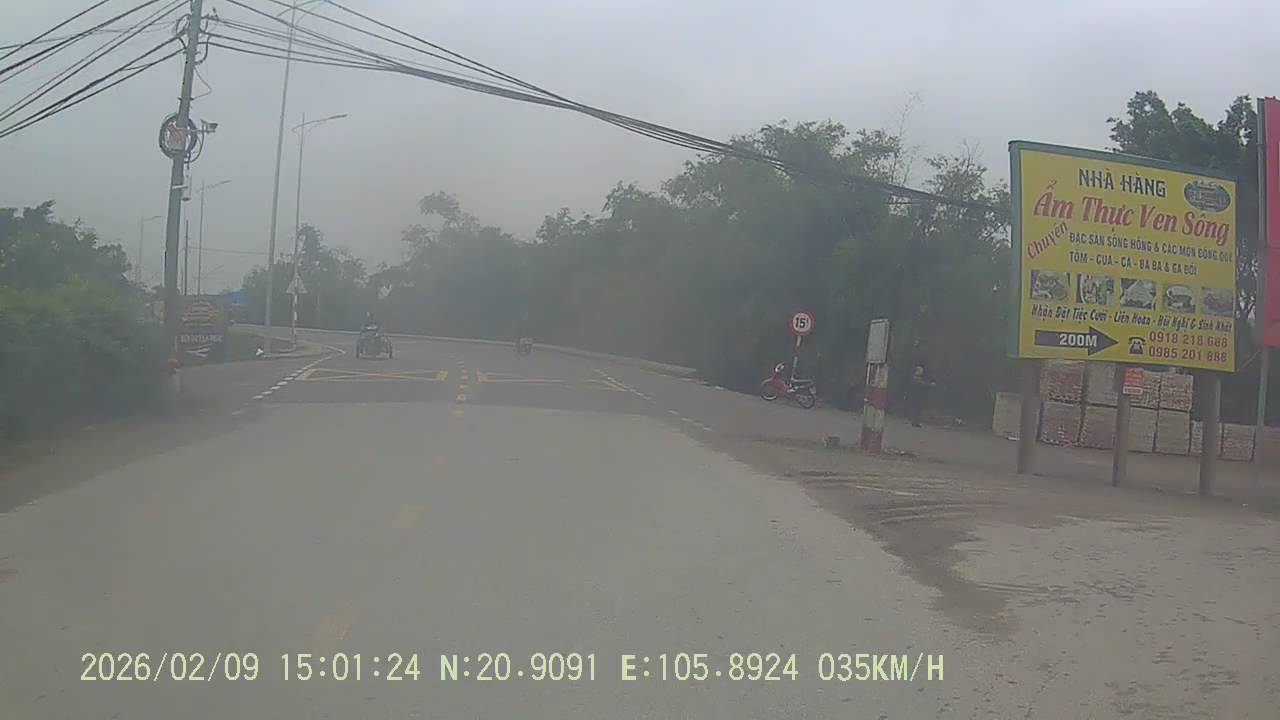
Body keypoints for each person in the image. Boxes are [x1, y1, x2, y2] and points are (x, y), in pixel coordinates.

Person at [906, 363, 935, 428]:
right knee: (916, 408)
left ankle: (915, 421)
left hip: (917, 396)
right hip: (914, 396)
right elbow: (921, 384)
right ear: (917, 371)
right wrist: (930, 385)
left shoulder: (918, 378)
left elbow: (922, 383)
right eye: (921, 371)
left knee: (918, 409)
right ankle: (914, 421)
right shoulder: (914, 378)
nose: (922, 372)